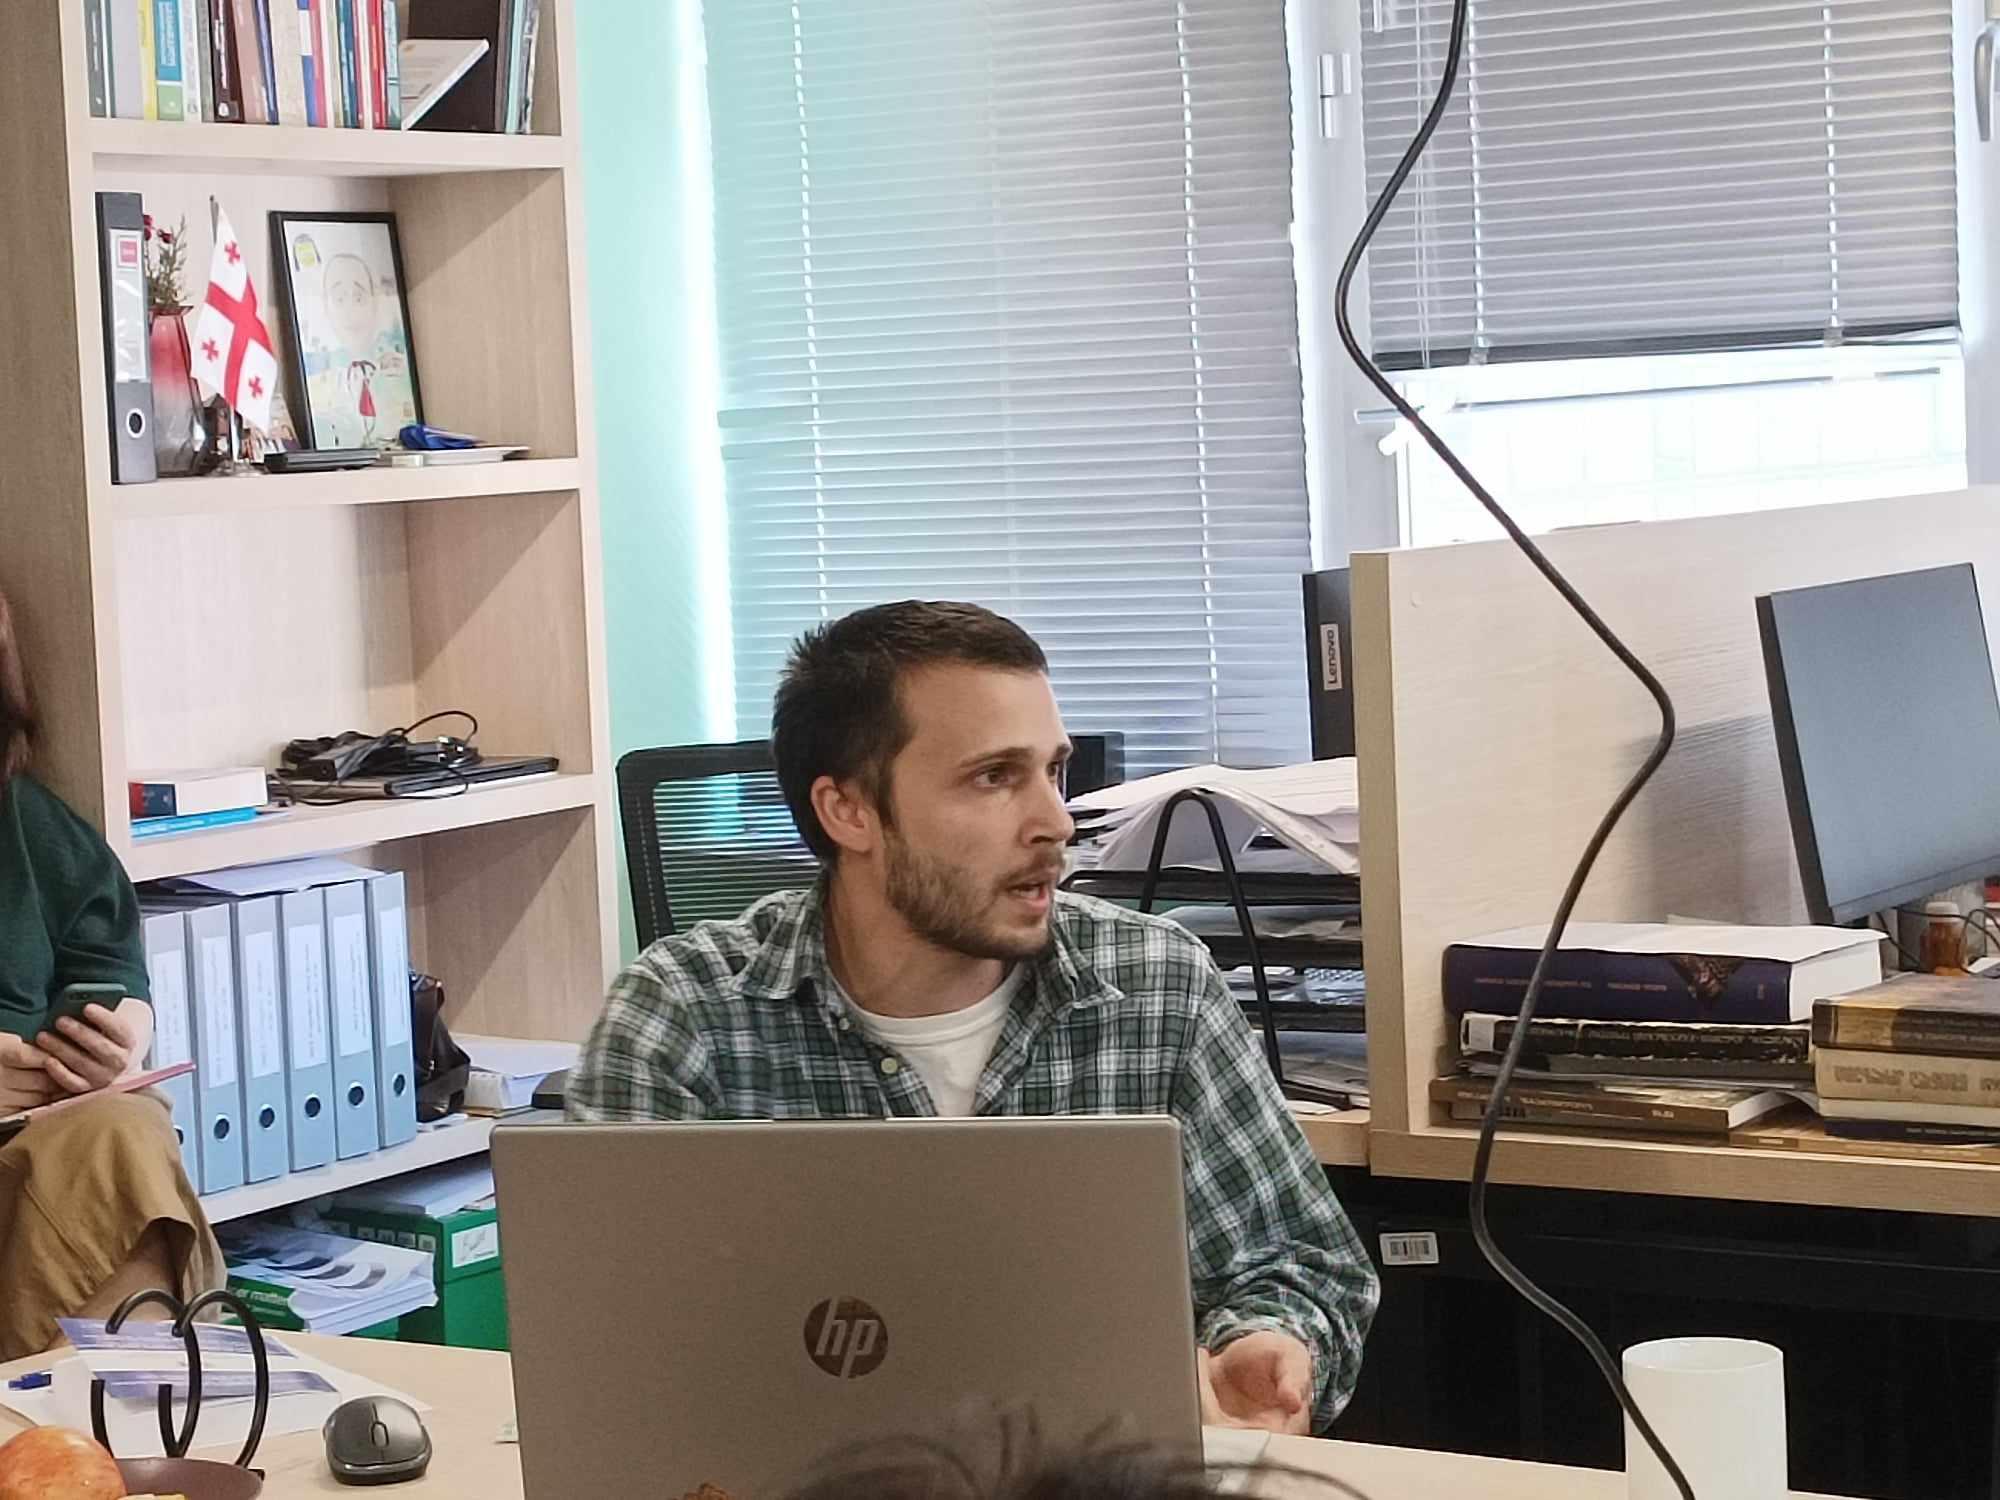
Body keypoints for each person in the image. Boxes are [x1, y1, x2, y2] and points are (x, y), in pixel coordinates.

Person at [570, 601, 1380, 1432]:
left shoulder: (1155, 985)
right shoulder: (684, 1017)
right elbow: (603, 1339)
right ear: (849, 811)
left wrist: (1269, 1341)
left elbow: (1302, 1265)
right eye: (994, 777)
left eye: (1053, 771)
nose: (1056, 822)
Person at [0, 586, 222, 1361]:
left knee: (123, 1134)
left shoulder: (27, 821)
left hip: (38, 1135)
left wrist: (115, 1043)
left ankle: (107, 1416)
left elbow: (111, 966)